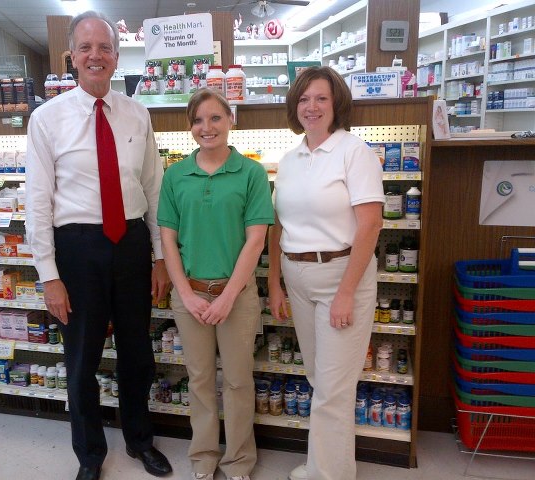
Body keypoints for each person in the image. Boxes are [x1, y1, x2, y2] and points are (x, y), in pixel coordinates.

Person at [25, 11, 172, 480]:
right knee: (81, 358)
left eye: (104, 47)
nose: (96, 56)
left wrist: (161, 257)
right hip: (78, 248)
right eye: (86, 47)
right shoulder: (46, 119)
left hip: (129, 243)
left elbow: (153, 190)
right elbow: (38, 203)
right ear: (72, 57)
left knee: (136, 353)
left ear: (115, 56)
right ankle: (89, 455)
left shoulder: (137, 113)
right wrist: (49, 275)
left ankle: (139, 440)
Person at [268, 66, 384, 480]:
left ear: (336, 104)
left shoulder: (355, 152)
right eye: (303, 99)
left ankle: (326, 474)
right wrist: (275, 282)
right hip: (297, 278)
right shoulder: (292, 158)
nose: (311, 107)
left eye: (320, 98)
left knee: (333, 389)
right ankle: (327, 465)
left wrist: (347, 292)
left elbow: (370, 225)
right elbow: (277, 223)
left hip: (341, 275)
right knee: (320, 379)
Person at [157, 88, 274, 480]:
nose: (206, 128)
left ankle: (239, 460)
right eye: (198, 120)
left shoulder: (252, 174)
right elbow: (168, 240)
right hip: (189, 294)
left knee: (239, 381)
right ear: (190, 127)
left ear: (230, 120)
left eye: (215, 118)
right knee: (201, 380)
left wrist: (227, 296)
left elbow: (255, 240)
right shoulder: (175, 175)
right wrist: (186, 294)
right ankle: (204, 457)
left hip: (237, 297)